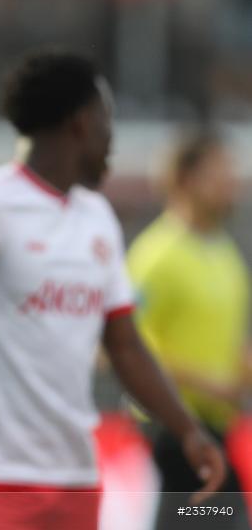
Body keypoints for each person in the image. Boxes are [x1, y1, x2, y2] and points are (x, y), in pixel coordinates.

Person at [0, 49, 227, 530]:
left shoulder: (97, 220)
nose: (112, 140)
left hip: (74, 480)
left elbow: (125, 346)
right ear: (81, 123)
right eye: (107, 121)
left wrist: (187, 429)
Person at [128, 133, 252, 530]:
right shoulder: (157, 255)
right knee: (215, 516)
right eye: (219, 172)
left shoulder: (223, 252)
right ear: (185, 179)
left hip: (215, 424)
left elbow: (227, 336)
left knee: (198, 519)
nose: (230, 182)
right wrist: (210, 383)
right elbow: (128, 348)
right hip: (175, 425)